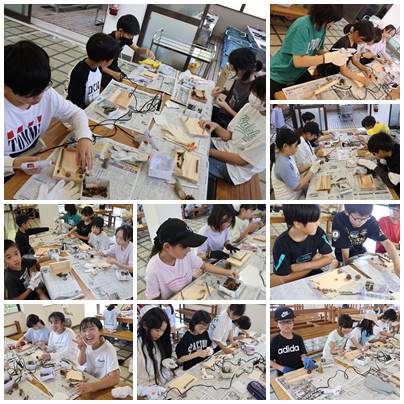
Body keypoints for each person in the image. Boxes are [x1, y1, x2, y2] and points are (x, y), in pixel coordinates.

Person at [4, 41, 94, 178]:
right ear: (5, 86)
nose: (39, 98)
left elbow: (75, 113)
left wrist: (84, 137)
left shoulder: (46, 94)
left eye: (43, 88)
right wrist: (14, 163)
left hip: (35, 154)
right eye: (30, 95)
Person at [200, 76, 266, 199]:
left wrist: (209, 152)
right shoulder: (249, 107)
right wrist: (216, 126)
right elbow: (230, 135)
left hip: (234, 170)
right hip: (224, 147)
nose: (254, 97)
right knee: (193, 142)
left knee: (197, 163)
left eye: (259, 96)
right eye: (253, 92)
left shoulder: (267, 132)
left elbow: (241, 161)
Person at [145, 218, 238, 299]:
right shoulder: (153, 270)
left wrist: (227, 272)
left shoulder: (186, 255)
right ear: (167, 247)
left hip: (191, 292)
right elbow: (154, 298)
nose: (189, 250)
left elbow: (204, 266)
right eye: (185, 246)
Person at [270, 5, 347, 99]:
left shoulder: (321, 27)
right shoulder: (302, 26)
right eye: (332, 21)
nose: (332, 24)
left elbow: (319, 49)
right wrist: (327, 58)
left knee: (316, 94)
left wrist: (334, 55)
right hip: (280, 72)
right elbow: (298, 61)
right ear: (324, 16)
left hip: (299, 72)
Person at [332, 204, 400, 276]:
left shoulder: (370, 220)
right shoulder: (339, 219)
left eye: (364, 219)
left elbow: (386, 242)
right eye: (357, 219)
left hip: (359, 250)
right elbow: (344, 249)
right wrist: (347, 267)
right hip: (342, 253)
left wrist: (397, 265)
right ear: (347, 212)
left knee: (375, 270)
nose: (361, 222)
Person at [272, 204, 333, 282]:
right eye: (315, 220)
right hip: (293, 282)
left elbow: (329, 258)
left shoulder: (318, 232)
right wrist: (314, 263)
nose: (318, 223)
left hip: (314, 275)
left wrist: (300, 267)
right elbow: (284, 279)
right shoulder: (281, 244)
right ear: (298, 224)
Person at [212, 48, 263, 128]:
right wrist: (223, 91)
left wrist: (225, 106)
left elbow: (243, 120)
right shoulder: (239, 79)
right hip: (222, 113)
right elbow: (234, 94)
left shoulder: (253, 92)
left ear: (244, 69)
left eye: (235, 69)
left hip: (230, 124)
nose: (233, 71)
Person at [67, 33, 120, 109]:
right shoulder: (80, 73)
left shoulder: (98, 67)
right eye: (112, 59)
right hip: (81, 110)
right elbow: (75, 102)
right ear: (104, 61)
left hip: (93, 105)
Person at [101, 14, 155, 88]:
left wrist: (146, 51)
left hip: (113, 66)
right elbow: (98, 65)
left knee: (128, 82)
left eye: (132, 36)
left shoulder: (124, 38)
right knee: (115, 86)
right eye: (130, 35)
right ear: (121, 31)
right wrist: (113, 73)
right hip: (103, 70)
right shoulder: (108, 42)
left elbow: (137, 49)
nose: (131, 38)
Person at [317, 21, 375, 87]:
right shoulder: (343, 44)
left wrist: (366, 70)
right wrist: (361, 79)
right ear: (356, 33)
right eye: (362, 40)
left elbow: (354, 60)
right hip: (326, 70)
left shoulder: (355, 43)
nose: (362, 43)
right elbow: (343, 70)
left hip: (334, 71)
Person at [74, 317, 120, 395]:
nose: (87, 333)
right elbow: (81, 363)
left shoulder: (108, 348)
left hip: (100, 383)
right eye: (84, 331)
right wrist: (82, 351)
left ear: (100, 331)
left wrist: (92, 386)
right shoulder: (84, 343)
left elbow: (115, 379)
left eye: (91, 329)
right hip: (87, 378)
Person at [271, 128, 319, 200]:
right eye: (296, 146)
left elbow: (296, 171)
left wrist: (311, 164)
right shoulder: (282, 164)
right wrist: (312, 171)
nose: (297, 148)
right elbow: (296, 187)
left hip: (297, 194)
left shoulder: (286, 155)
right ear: (285, 146)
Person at [270, 307, 315, 375]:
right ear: (277, 324)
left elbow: (302, 354)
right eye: (282, 322)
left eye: (289, 321)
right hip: (284, 374)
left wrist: (306, 359)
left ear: (293, 322)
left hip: (300, 370)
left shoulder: (298, 338)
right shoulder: (275, 340)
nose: (286, 325)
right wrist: (282, 368)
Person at [137, 307, 173, 386]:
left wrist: (165, 365)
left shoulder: (158, 340)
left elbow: (159, 370)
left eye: (163, 330)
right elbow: (140, 377)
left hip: (159, 382)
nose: (160, 334)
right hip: (145, 386)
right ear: (145, 325)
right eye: (157, 330)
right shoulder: (138, 345)